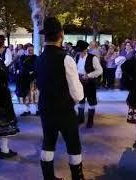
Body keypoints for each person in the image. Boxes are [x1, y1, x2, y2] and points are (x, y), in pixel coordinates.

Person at [37, 17, 89, 180]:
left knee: (48, 143)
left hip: (45, 108)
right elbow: (78, 94)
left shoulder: (39, 58)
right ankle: (77, 177)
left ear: (45, 36)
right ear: (62, 34)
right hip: (64, 110)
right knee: (73, 144)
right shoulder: (66, 58)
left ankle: (48, 178)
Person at [75, 40, 103, 128]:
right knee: (80, 100)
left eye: (80, 50)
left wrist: (89, 75)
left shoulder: (92, 58)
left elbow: (100, 70)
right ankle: (80, 118)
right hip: (79, 82)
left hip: (90, 82)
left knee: (91, 101)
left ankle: (90, 120)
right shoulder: (77, 57)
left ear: (84, 49)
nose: (79, 52)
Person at [16, 43, 39, 116]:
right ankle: (27, 110)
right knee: (25, 95)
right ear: (25, 50)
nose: (31, 51)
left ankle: (37, 110)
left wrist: (32, 72)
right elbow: (21, 67)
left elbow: (36, 68)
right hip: (24, 79)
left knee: (35, 94)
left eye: (32, 50)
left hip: (34, 79)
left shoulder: (36, 57)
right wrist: (29, 71)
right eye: (29, 50)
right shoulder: (22, 57)